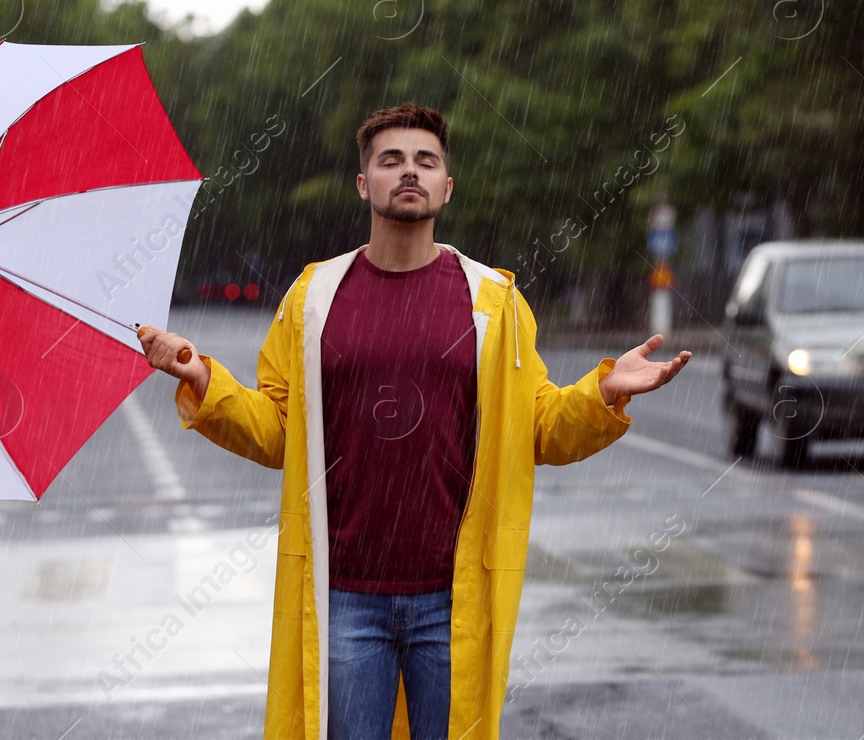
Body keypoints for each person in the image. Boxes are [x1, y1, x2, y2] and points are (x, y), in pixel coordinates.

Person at [138, 102, 691, 740]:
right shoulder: (313, 297)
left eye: (426, 161)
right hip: (345, 595)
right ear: (363, 183)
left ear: (446, 187)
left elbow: (537, 427)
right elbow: (279, 431)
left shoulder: (494, 302)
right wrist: (200, 376)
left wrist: (603, 393)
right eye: (390, 160)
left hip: (452, 599)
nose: (410, 172)